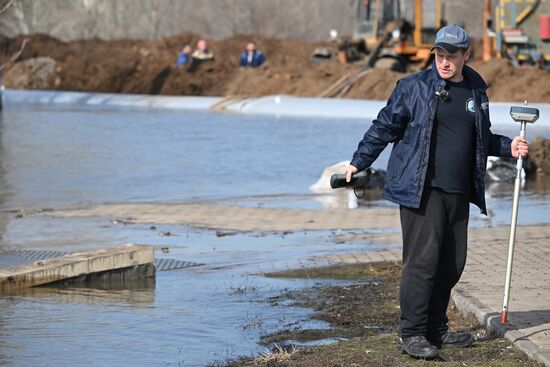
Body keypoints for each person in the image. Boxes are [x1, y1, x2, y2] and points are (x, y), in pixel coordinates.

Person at [344, 25, 528, 359]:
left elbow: (480, 138)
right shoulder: (412, 87)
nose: (444, 62)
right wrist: (358, 162)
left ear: (465, 55)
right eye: (439, 55)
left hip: (458, 190)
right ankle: (412, 332)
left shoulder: (476, 89)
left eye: (451, 56)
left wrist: (508, 147)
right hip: (421, 189)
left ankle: (435, 328)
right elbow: (384, 126)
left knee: (452, 262)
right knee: (422, 263)